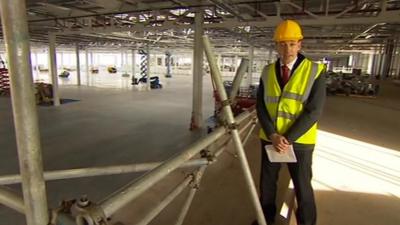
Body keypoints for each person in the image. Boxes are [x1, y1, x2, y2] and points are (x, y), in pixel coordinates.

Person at [254, 20, 326, 225]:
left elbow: (314, 111)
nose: (287, 49)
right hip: (271, 138)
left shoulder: (315, 70)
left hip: (300, 141)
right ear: (276, 46)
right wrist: (272, 135)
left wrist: (287, 138)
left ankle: (307, 222)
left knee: (303, 187)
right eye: (283, 44)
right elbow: (261, 106)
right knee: (267, 186)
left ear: (300, 44)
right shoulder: (267, 72)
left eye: (292, 44)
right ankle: (265, 220)